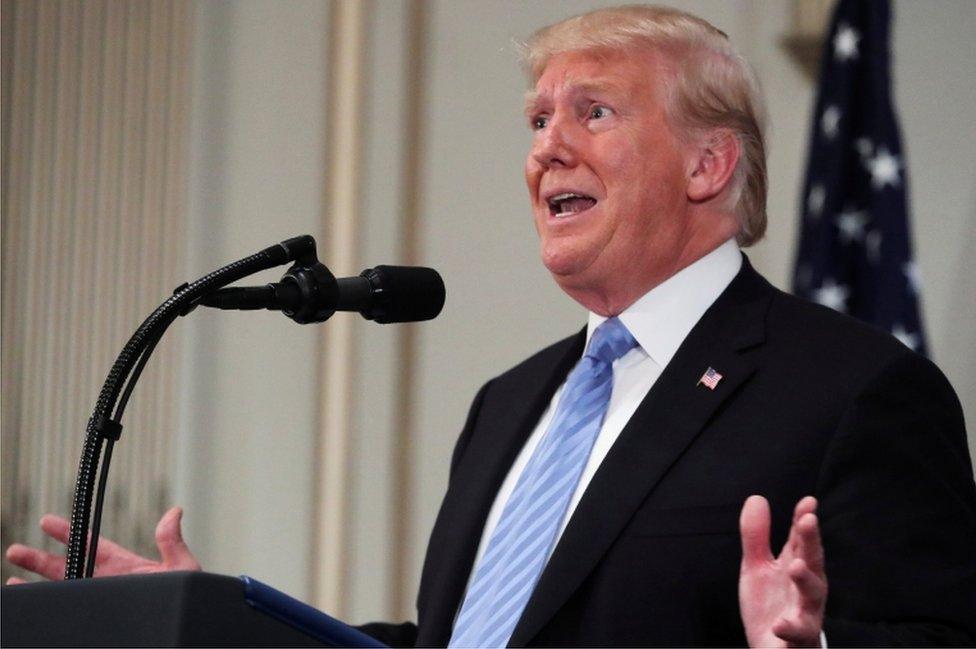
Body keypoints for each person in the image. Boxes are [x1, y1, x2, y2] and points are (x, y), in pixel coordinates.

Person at [8, 5, 976, 647]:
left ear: (707, 165)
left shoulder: (857, 394)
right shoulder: (510, 404)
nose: (546, 145)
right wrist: (218, 621)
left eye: (592, 112)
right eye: (536, 119)